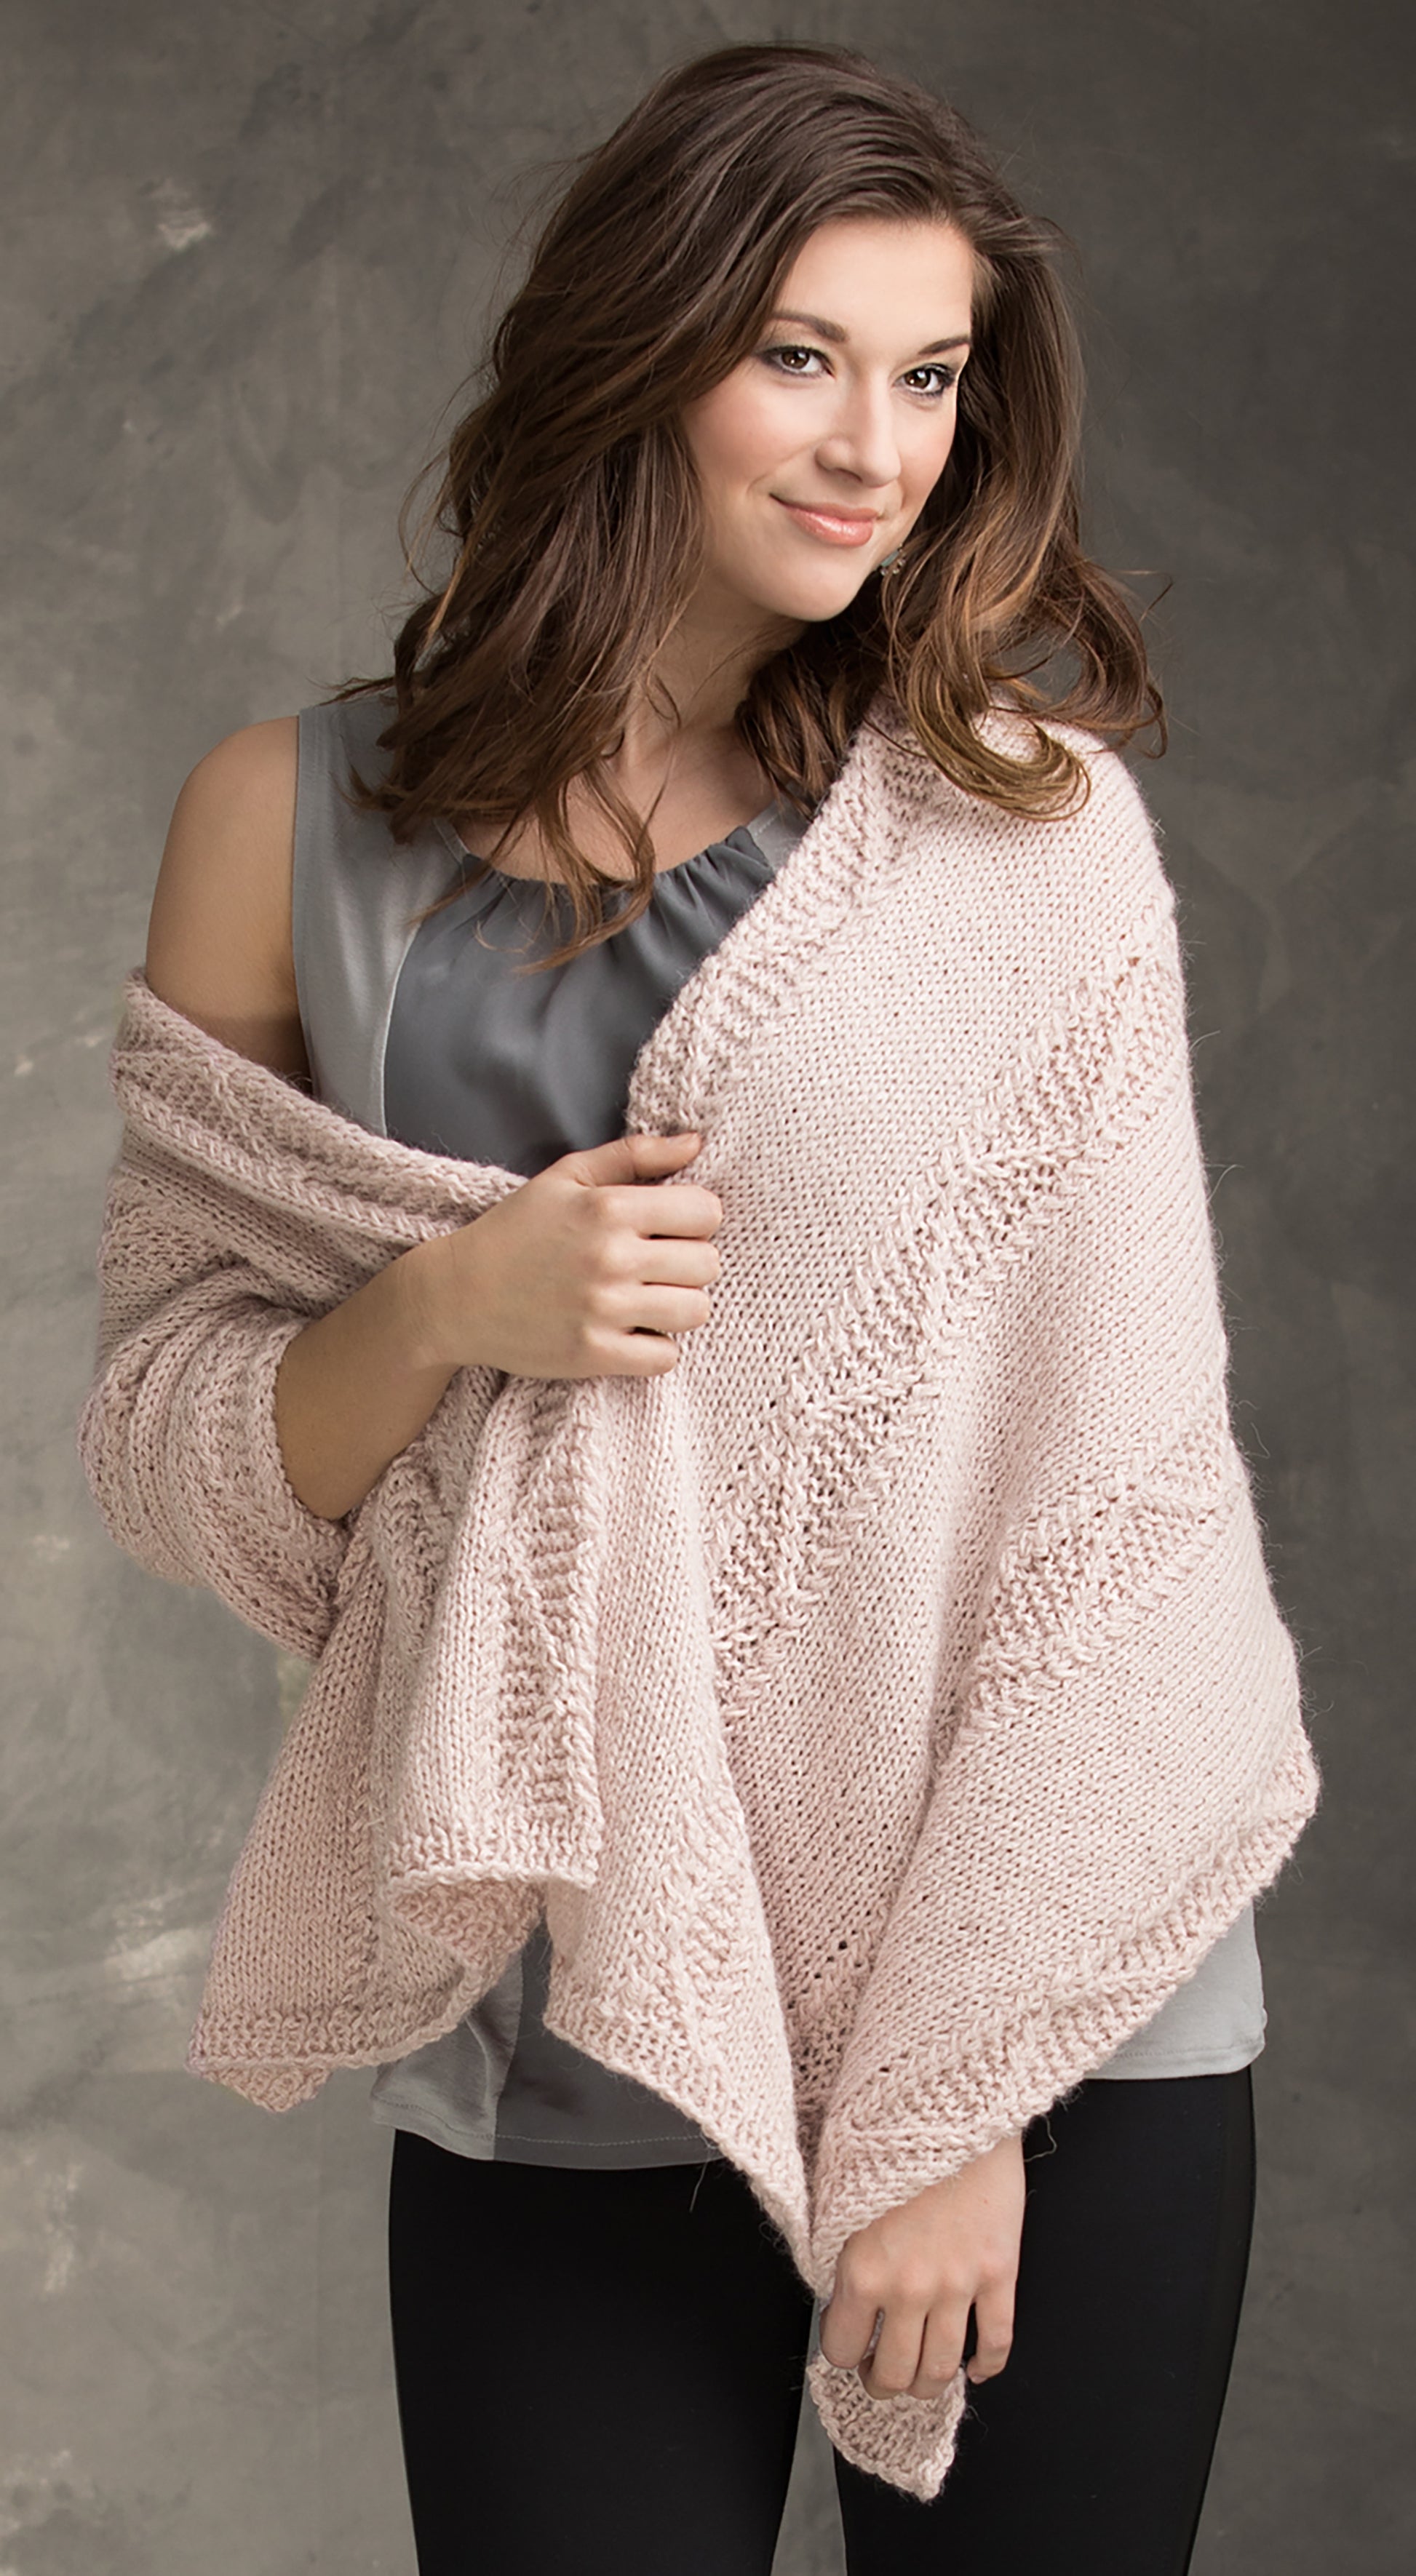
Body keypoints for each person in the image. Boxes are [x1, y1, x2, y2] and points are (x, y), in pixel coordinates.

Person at [84, 40, 1318, 2576]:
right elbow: (172, 1430)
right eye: (797, 356)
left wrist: (961, 2091)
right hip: (566, 2016)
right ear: (635, 347)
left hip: (1045, 2023)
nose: (876, 449)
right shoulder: (289, 823)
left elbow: (1108, 1500)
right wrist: (452, 1304)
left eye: (931, 376)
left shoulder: (1025, 834)